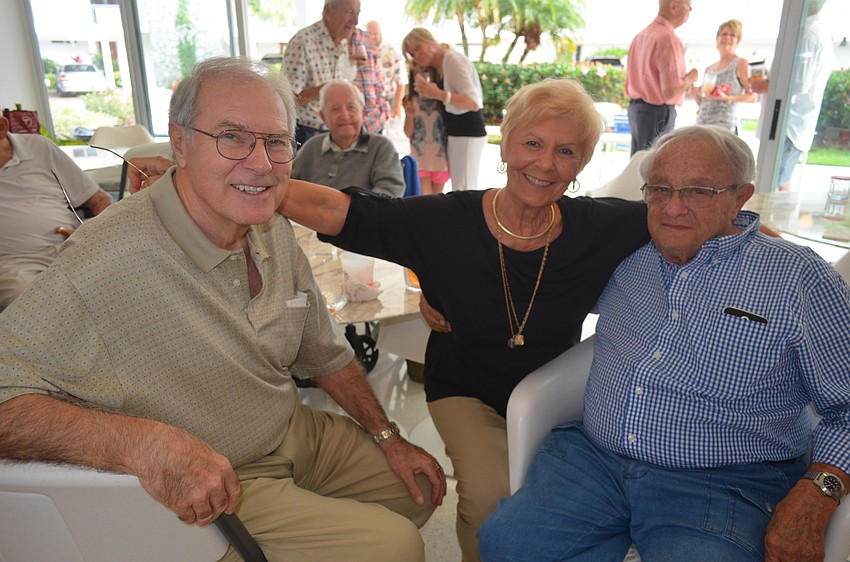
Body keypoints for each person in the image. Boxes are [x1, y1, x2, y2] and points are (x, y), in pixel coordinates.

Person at [0, 57, 445, 562]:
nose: (261, 163)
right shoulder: (106, 258)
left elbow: (324, 352)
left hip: (288, 430)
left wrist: (387, 435)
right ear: (180, 143)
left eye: (276, 141)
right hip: (220, 478)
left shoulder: (270, 225)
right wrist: (138, 442)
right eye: (232, 137)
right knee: (396, 546)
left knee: (418, 488)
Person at [276, 79, 651, 561]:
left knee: (552, 506)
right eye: (532, 143)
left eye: (566, 151)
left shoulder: (601, 228)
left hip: (551, 394)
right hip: (464, 386)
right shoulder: (447, 220)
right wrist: (245, 184)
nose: (545, 163)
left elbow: (686, 211)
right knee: (490, 496)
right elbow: (345, 212)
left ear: (582, 164)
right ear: (505, 145)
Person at [478, 125, 850, 562]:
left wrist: (818, 492)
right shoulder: (623, 253)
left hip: (724, 482)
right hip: (593, 461)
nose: (673, 207)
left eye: (698, 192)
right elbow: (529, 274)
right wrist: (438, 292)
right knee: (508, 544)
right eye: (660, 189)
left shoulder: (798, 278)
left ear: (740, 198)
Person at [0, 115, 112, 309]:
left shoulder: (39, 147)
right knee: (32, 302)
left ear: (2, 127)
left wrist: (108, 232)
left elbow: (98, 199)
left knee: (125, 279)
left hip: (73, 244)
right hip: (14, 263)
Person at [751, 0, 834, 191]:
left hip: (787, 126)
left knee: (773, 186)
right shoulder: (810, 32)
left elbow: (796, 85)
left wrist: (765, 85)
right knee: (779, 182)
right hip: (789, 126)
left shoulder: (807, 35)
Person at [402, 27, 487, 191]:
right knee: (460, 189)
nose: (417, 55)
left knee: (465, 189)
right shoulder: (438, 66)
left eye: (418, 48)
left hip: (467, 133)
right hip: (455, 134)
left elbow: (473, 102)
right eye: (412, 53)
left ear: (430, 42)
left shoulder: (452, 60)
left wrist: (438, 94)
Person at [291, 79, 404, 198]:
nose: (345, 116)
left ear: (362, 112)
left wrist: (344, 206)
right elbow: (288, 184)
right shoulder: (313, 147)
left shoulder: (380, 147)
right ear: (323, 117)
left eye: (351, 107)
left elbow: (389, 194)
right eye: (335, 109)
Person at [625, 0, 698, 155]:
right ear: (673, 6)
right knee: (654, 164)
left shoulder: (640, 36)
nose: (690, 9)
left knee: (638, 163)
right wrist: (690, 78)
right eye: (687, 4)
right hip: (656, 113)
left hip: (636, 110)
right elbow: (671, 91)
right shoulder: (668, 39)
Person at [283, 0, 362, 144]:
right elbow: (288, 100)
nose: (355, 21)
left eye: (357, 13)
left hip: (335, 128)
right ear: (327, 11)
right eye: (349, 12)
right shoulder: (303, 42)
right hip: (308, 131)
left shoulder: (342, 40)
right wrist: (328, 89)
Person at [690, 19, 756, 133]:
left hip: (724, 127)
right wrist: (695, 95)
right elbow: (704, 103)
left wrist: (728, 98)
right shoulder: (709, 69)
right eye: (724, 34)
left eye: (732, 35)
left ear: (737, 41)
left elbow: (752, 97)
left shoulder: (741, 63)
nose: (727, 37)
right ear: (717, 38)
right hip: (702, 124)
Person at [403, 65, 450, 195]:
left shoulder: (442, 99)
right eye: (417, 72)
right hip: (420, 158)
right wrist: (409, 114)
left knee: (438, 198)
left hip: (441, 159)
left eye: (425, 71)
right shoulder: (410, 100)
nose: (422, 76)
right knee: (426, 197)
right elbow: (408, 133)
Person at [348, 26, 390, 134]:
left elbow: (377, 79)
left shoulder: (366, 39)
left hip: (375, 121)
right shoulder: (332, 44)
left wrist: (384, 111)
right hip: (349, 123)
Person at [367, 20, 407, 120]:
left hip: (389, 99)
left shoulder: (392, 52)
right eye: (369, 33)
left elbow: (401, 80)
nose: (372, 37)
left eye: (375, 33)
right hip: (369, 102)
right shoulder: (362, 52)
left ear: (380, 33)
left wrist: (397, 105)